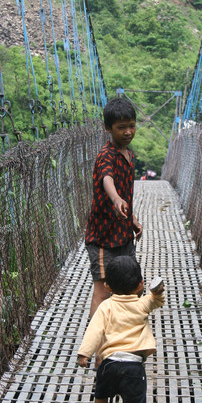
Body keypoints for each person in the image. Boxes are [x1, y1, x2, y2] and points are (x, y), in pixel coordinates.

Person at [77, 256, 165, 403]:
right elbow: (156, 301)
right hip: (134, 364)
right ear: (140, 285)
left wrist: (85, 353)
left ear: (107, 287)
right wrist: (157, 291)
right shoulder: (142, 303)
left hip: (109, 363)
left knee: (101, 392)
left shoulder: (105, 306)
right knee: (136, 399)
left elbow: (94, 330)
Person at [85, 97, 143, 325]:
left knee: (134, 287)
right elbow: (108, 178)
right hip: (102, 239)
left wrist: (133, 219)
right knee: (102, 293)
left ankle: (127, 336)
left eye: (132, 125)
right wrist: (116, 198)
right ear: (108, 128)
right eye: (121, 127)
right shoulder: (106, 155)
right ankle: (96, 346)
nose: (128, 132)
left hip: (123, 236)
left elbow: (126, 194)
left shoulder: (129, 156)